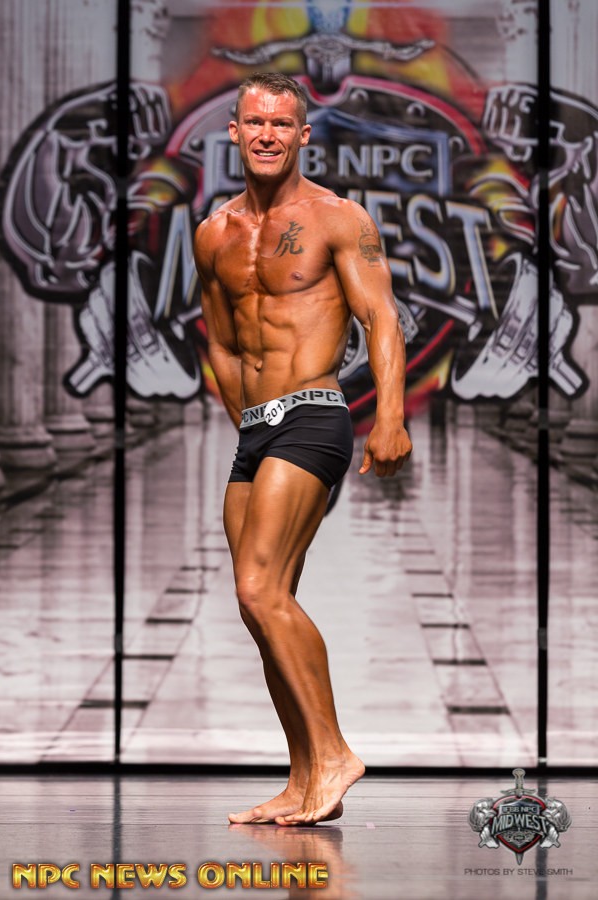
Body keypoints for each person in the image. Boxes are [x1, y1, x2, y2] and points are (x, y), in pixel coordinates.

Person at [193, 73, 412, 826]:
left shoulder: (336, 219)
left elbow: (381, 317)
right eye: (255, 122)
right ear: (234, 131)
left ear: (302, 135)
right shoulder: (214, 233)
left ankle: (336, 753)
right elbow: (222, 342)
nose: (267, 135)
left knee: (261, 589)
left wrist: (390, 418)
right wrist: (246, 420)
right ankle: (303, 778)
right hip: (257, 429)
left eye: (281, 124)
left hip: (314, 416)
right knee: (261, 606)